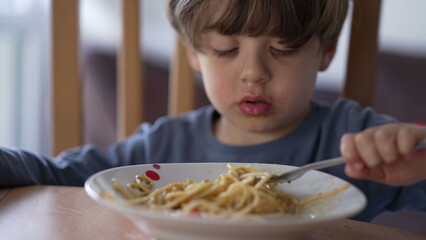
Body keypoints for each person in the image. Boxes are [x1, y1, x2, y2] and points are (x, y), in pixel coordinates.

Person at [1, 0, 425, 222]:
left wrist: (418, 165)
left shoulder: (357, 143)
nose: (254, 74)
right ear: (194, 55)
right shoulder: (163, 147)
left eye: (284, 49)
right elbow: (58, 176)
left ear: (325, 52)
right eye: (226, 50)